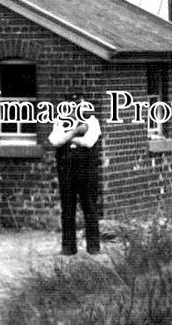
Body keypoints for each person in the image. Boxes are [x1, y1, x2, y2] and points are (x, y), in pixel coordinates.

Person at [48, 92, 102, 255]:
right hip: (66, 167)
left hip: (86, 168)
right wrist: (74, 133)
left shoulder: (92, 121)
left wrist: (67, 138)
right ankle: (68, 247)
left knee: (89, 205)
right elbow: (55, 141)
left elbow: (88, 141)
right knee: (67, 206)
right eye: (71, 106)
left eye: (77, 105)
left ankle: (93, 246)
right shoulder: (60, 121)